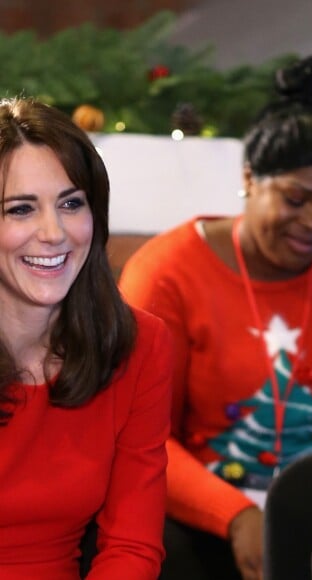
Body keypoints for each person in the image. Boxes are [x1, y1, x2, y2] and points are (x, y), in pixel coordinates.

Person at [118, 55, 312, 580]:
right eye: (295, 198)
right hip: (201, 516)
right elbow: (140, 439)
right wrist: (235, 517)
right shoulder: (165, 271)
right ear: (250, 178)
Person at [0, 97, 173, 579]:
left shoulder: (140, 344)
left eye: (71, 204)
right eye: (20, 209)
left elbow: (132, 546)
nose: (54, 233)